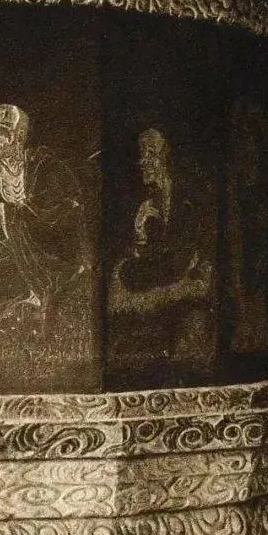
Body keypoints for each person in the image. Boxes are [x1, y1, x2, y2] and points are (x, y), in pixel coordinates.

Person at [0, 103, 88, 363]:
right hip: (19, 246)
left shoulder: (47, 167)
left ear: (18, 136)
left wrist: (8, 214)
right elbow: (1, 208)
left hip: (52, 255)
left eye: (0, 131)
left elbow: (63, 219)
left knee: (4, 271)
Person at [109, 127, 214, 373]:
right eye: (141, 154)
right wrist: (139, 231)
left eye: (150, 153)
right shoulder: (146, 202)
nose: (143, 161)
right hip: (161, 283)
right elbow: (136, 260)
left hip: (184, 285)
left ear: (167, 157)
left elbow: (187, 259)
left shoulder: (188, 199)